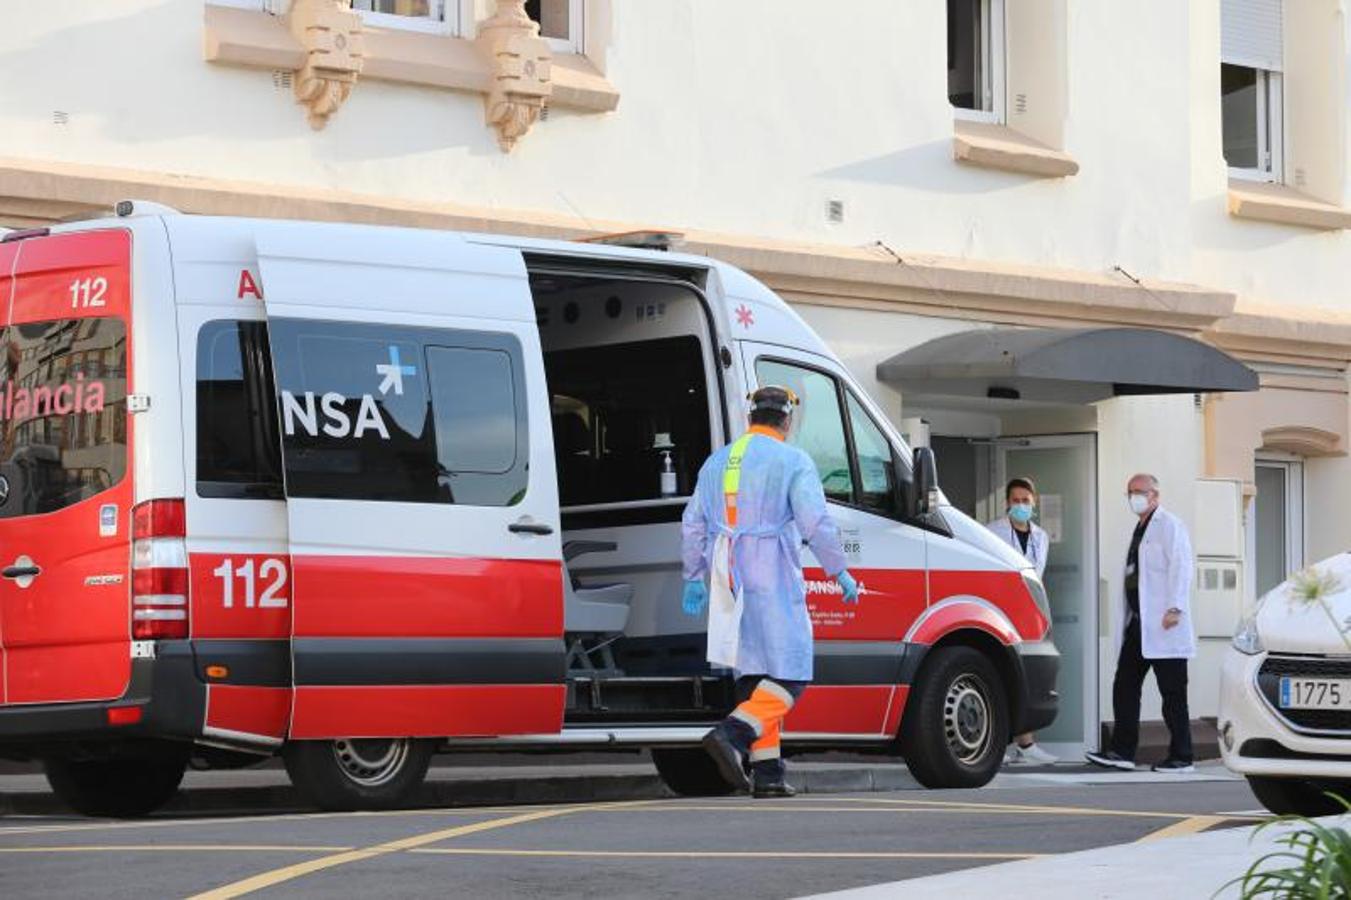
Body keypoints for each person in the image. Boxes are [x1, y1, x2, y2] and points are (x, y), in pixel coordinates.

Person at [680, 385, 860, 798]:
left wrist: (694, 575)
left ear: (751, 418)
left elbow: (692, 523)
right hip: (771, 570)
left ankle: (768, 776)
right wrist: (840, 571)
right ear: (787, 421)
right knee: (791, 672)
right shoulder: (792, 460)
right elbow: (815, 522)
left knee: (755, 674)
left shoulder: (717, 462)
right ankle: (733, 733)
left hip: (729, 574)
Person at [1086, 473, 1196, 773]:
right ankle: (1122, 751)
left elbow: (1182, 565)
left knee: (1172, 694)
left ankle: (1182, 756)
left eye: (1139, 492)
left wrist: (1175, 607)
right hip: (1139, 625)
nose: (1134, 497)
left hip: (1165, 624)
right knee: (1125, 685)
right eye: (1130, 492)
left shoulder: (1169, 525)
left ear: (1154, 496)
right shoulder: (1140, 529)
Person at [986, 477, 1057, 767]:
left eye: (1025, 501)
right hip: (1001, 613)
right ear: (1006, 503)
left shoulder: (1041, 537)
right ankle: (998, 744)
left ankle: (1026, 745)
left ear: (1034, 502)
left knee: (1027, 678)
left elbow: (1038, 578)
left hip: (1029, 615)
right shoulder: (992, 532)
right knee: (1001, 676)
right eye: (1015, 501)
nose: (1020, 506)